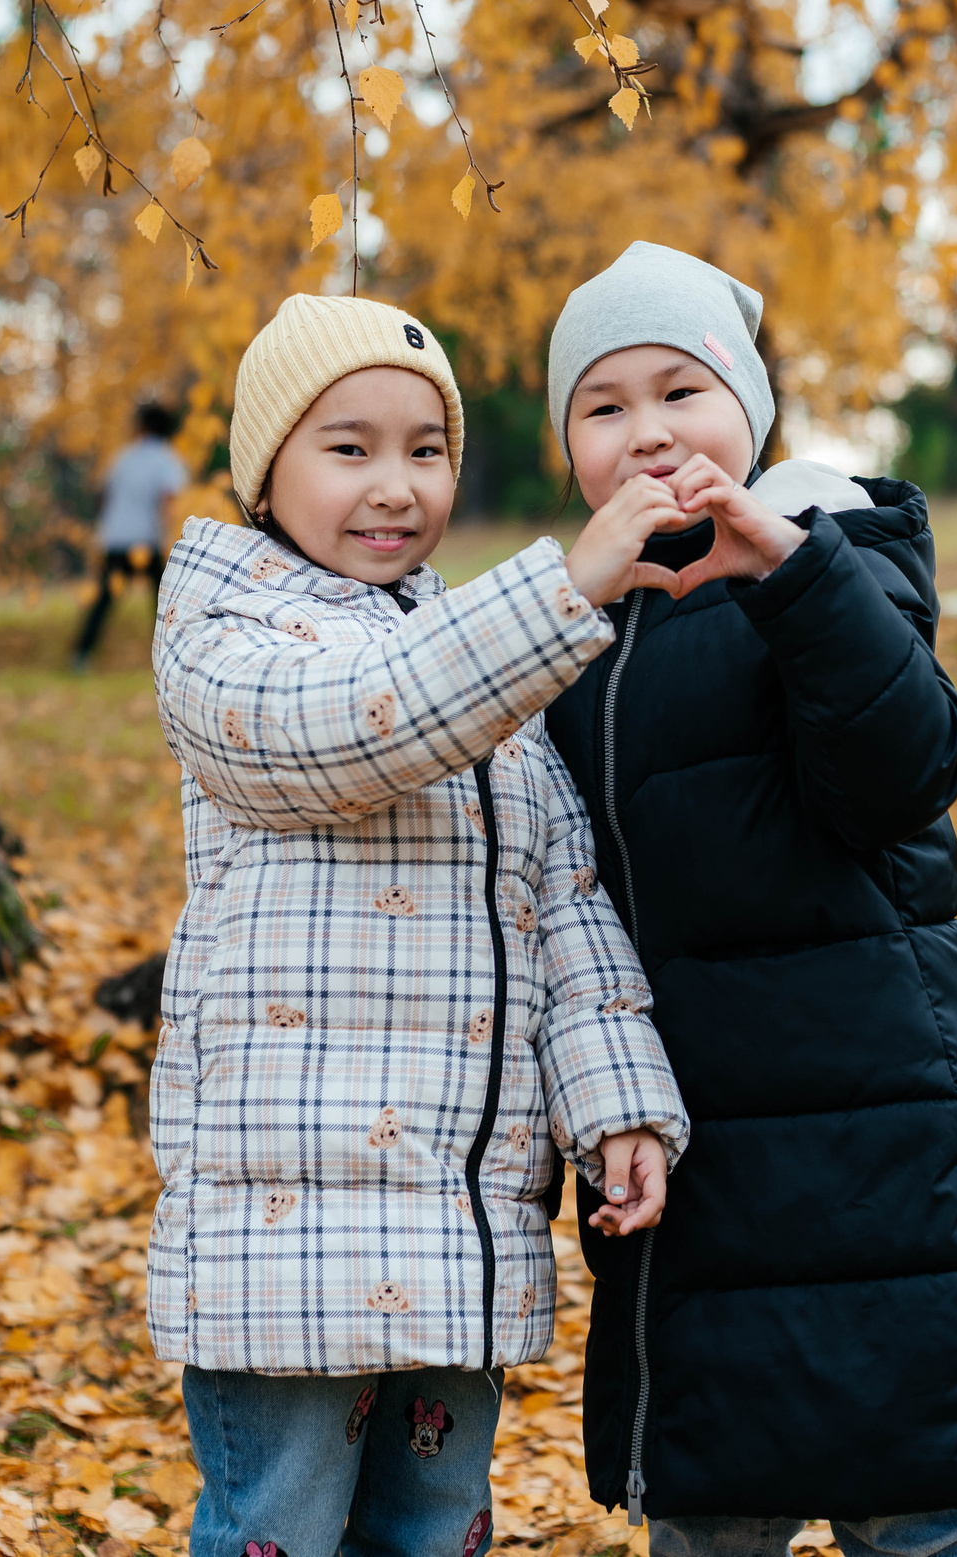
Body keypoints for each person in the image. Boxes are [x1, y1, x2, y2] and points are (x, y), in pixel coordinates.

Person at [146, 293, 698, 1557]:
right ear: (264, 472)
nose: (394, 485)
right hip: (288, 1238)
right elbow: (359, 726)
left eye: (427, 448)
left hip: (457, 1222)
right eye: (349, 448)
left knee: (435, 1530)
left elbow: (566, 912)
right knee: (280, 1526)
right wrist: (563, 589)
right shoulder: (224, 634)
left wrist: (618, 1103)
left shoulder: (479, 655)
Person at [542, 244, 957, 1555]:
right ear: (570, 452)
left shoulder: (837, 548)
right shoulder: (577, 626)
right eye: (604, 406)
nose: (648, 432)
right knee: (713, 1510)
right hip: (691, 1162)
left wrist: (791, 575)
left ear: (747, 413)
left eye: (681, 391)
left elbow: (907, 768)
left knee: (915, 1505)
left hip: (876, 1142)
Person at [73, 400, 191, 668]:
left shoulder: (123, 458)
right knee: (163, 603)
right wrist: (171, 538)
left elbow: (104, 495)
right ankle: (170, 657)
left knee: (103, 602)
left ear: (142, 426)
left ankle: (80, 656)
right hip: (147, 541)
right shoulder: (167, 459)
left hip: (115, 539)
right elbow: (168, 502)